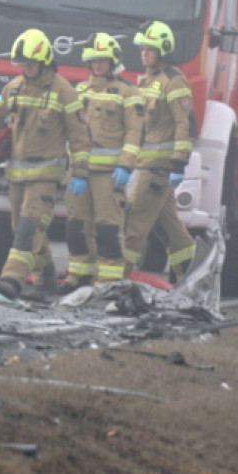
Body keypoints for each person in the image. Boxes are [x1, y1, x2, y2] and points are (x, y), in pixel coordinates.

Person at [0, 28, 85, 292]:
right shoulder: (13, 89)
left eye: (30, 64)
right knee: (22, 227)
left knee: (29, 226)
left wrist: (80, 171)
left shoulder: (64, 92)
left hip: (45, 175)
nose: (26, 69)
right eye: (22, 64)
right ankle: (45, 275)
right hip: (16, 174)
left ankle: (11, 279)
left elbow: (79, 135)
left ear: (45, 61)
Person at [119, 20, 197, 280]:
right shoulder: (147, 81)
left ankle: (113, 278)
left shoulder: (173, 82)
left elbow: (184, 125)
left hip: (158, 168)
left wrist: (178, 164)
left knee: (133, 224)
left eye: (149, 49)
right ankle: (195, 276)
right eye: (142, 48)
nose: (144, 53)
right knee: (171, 228)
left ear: (162, 50)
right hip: (145, 164)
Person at [66, 32, 135, 285]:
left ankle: (107, 280)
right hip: (80, 172)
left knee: (107, 228)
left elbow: (134, 132)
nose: (98, 65)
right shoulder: (80, 90)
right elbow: (72, 130)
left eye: (103, 60)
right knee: (76, 225)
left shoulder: (127, 92)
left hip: (108, 175)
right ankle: (78, 274)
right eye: (94, 60)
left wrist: (126, 165)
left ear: (112, 61)